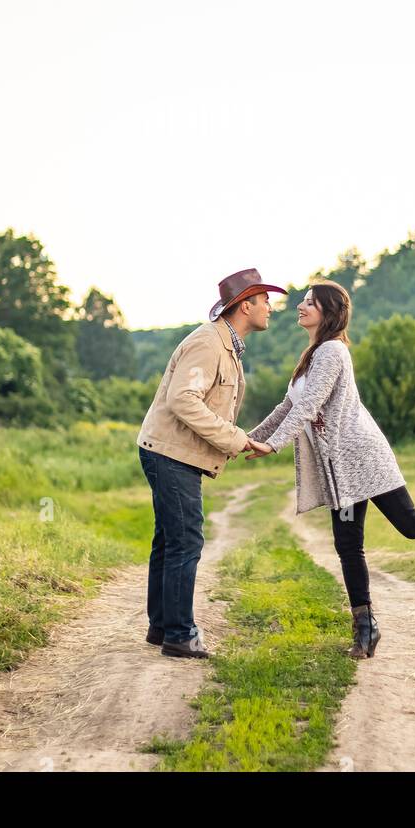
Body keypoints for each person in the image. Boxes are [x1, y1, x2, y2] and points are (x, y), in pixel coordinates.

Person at [245, 280, 415, 659]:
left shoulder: (331, 353)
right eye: (302, 301)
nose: (300, 306)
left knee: (411, 524)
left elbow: (308, 407)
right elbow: (286, 407)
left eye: (310, 303)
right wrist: (247, 440)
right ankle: (366, 629)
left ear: (329, 313)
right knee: (348, 546)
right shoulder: (312, 356)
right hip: (340, 468)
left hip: (364, 458)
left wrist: (273, 444)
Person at [136, 267, 287, 658]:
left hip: (171, 450)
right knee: (186, 538)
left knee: (170, 539)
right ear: (245, 304)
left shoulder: (226, 344)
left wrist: (241, 439)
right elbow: (183, 399)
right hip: (170, 452)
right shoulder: (208, 343)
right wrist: (236, 439)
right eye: (265, 299)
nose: (271, 307)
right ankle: (180, 635)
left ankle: (163, 627)